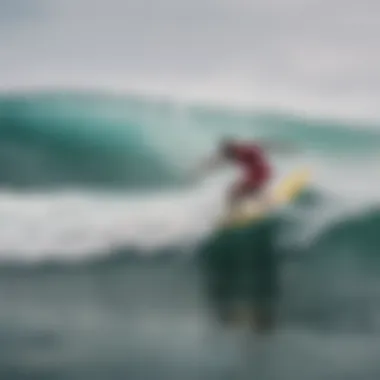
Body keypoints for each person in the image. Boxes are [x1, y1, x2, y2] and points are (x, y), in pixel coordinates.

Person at [195, 137, 282, 217]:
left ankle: (234, 213)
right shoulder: (241, 150)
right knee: (237, 191)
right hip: (259, 173)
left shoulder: (243, 151)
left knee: (234, 192)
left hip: (259, 175)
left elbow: (257, 150)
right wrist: (205, 165)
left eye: (227, 153)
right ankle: (256, 202)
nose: (228, 156)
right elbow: (220, 159)